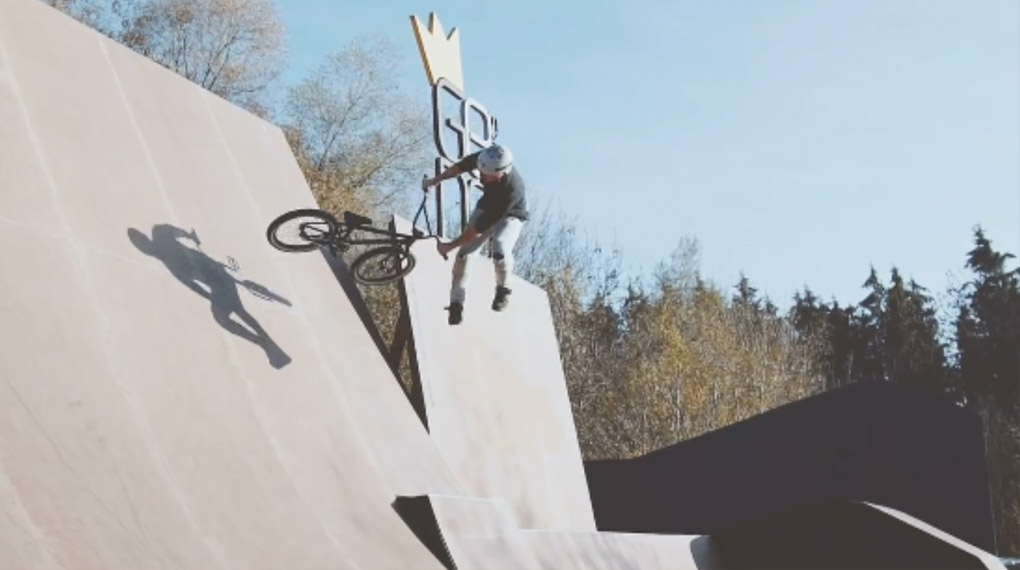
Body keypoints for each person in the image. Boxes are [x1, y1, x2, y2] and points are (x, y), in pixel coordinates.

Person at [422, 143, 528, 325]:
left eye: (489, 176)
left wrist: (448, 246)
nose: (484, 177)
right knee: (464, 254)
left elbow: (474, 232)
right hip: (487, 204)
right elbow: (459, 168)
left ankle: (504, 289)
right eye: (482, 173)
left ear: (502, 172)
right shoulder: (486, 157)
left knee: (500, 248)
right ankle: (456, 304)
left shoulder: (512, 191)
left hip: (511, 215)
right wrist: (435, 180)